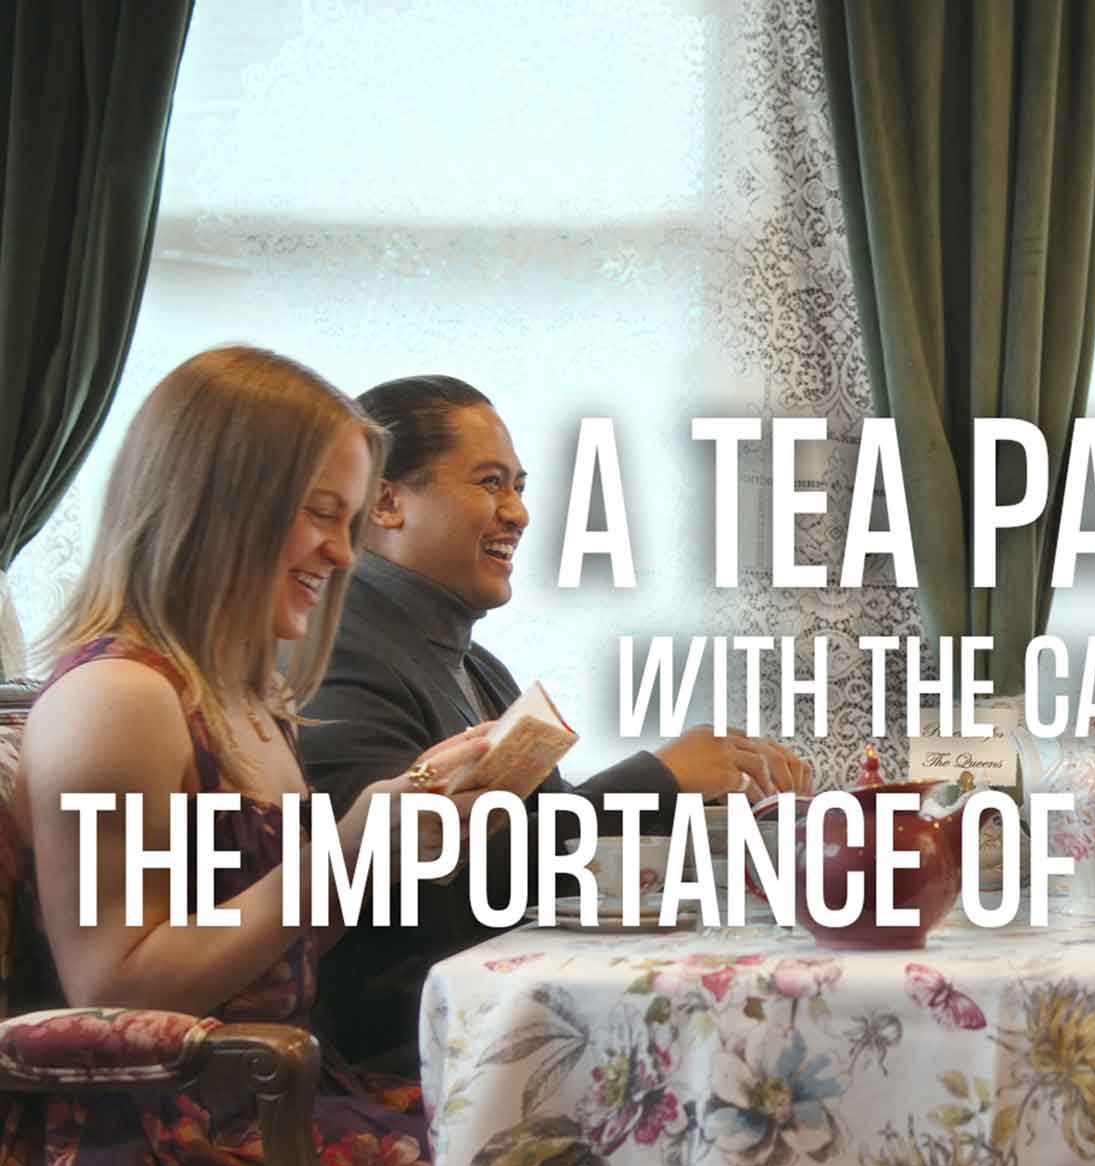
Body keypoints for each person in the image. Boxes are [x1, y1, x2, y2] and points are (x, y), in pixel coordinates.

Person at [4, 346, 498, 1166]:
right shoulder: (120, 697)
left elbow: (272, 956)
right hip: (170, 1149)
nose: (343, 553)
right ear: (219, 501)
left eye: (349, 520)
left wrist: (402, 836)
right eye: (320, 514)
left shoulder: (244, 698)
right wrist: (341, 855)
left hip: (275, 1103)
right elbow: (115, 990)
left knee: (557, 1133)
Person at [299, 374, 811, 1068]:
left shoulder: (473, 662)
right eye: (489, 483)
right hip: (420, 1050)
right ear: (387, 501)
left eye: (519, 486)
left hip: (513, 1018)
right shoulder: (339, 651)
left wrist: (708, 806)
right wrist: (659, 778)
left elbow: (547, 853)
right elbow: (410, 892)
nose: (518, 513)